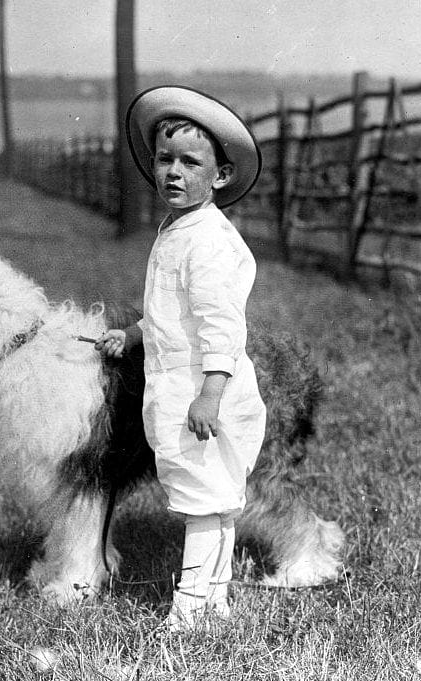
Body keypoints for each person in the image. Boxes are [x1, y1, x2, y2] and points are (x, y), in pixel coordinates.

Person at [95, 86, 266, 631]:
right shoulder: (176, 231)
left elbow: (220, 325)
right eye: (165, 159)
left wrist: (210, 393)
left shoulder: (209, 242)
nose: (173, 171)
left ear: (219, 176)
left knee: (203, 497)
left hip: (205, 390)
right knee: (210, 496)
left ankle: (191, 608)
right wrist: (133, 334)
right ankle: (214, 599)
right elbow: (173, 313)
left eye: (190, 162)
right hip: (180, 388)